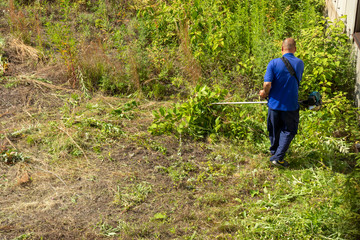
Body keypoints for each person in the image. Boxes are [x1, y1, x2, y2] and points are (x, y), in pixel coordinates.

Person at [259, 38, 304, 167]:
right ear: (294, 49)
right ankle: (277, 156)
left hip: (274, 104)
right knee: (288, 130)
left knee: (274, 129)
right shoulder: (300, 63)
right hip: (290, 105)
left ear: (282, 49)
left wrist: (264, 93)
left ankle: (276, 154)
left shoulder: (273, 63)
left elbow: (267, 84)